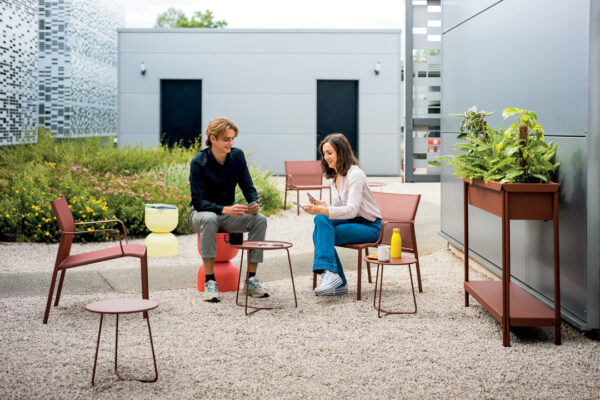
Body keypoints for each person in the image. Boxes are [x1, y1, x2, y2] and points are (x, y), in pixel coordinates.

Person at [188, 117, 268, 302]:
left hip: (226, 215)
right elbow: (198, 202)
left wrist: (253, 203)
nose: (230, 143)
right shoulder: (198, 162)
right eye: (226, 139)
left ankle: (250, 280)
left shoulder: (237, 156)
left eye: (232, 139)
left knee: (260, 220)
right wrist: (225, 209)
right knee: (209, 218)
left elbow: (248, 186)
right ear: (212, 138)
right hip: (200, 215)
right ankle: (210, 281)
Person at [302, 133, 382, 296]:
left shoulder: (355, 175)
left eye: (329, 153)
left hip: (369, 227)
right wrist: (324, 207)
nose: (326, 158)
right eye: (324, 154)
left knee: (320, 232)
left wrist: (324, 210)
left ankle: (334, 278)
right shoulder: (335, 177)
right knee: (321, 221)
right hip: (352, 222)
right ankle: (335, 279)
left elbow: (351, 209)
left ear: (342, 152)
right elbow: (339, 208)